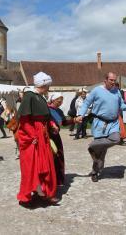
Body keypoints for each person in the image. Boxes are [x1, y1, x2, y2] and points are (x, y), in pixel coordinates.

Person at [75, 72, 126, 182]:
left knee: (116, 139)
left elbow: (121, 105)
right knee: (100, 152)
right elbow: (86, 103)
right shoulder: (97, 91)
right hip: (100, 123)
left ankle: (92, 146)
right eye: (111, 80)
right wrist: (81, 115)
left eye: (114, 80)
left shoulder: (117, 91)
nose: (113, 82)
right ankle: (95, 172)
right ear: (105, 80)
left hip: (113, 123)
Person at [16, 72, 59, 206]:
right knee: (34, 165)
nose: (49, 88)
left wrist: (51, 124)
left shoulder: (40, 97)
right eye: (48, 85)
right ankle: (38, 192)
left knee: (44, 163)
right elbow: (24, 120)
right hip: (34, 135)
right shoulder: (29, 96)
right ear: (44, 84)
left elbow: (46, 117)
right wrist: (32, 136)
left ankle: (42, 191)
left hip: (42, 133)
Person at [48, 93, 74, 186]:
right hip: (47, 137)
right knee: (50, 157)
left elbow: (63, 122)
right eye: (58, 101)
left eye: (61, 101)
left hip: (56, 137)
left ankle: (58, 179)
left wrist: (74, 120)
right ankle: (50, 180)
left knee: (59, 156)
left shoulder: (59, 111)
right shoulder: (46, 110)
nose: (60, 103)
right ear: (53, 100)